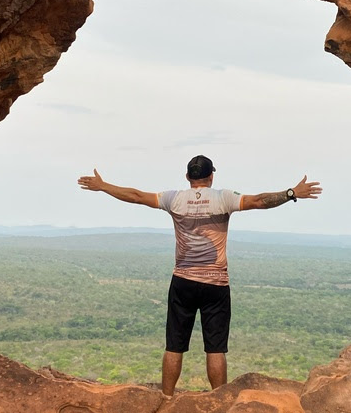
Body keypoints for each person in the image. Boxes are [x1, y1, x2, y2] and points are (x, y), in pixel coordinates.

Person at [77, 156, 322, 396]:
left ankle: (166, 398)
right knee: (215, 348)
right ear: (211, 176)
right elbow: (259, 201)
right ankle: (218, 400)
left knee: (174, 345)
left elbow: (137, 196)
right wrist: (291, 193)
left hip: (183, 281)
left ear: (187, 177)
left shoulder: (174, 199)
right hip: (215, 283)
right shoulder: (223, 198)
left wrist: (103, 186)